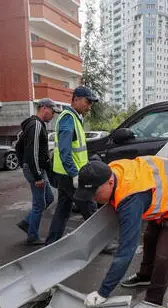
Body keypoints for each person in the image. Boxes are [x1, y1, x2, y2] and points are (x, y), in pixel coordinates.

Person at [73, 157, 168, 307]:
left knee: (163, 256)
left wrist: (103, 292)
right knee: (150, 239)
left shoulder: (131, 201)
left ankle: (153, 303)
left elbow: (126, 251)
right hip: (160, 199)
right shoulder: (112, 169)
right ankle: (144, 276)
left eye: (95, 194)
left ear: (110, 183)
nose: (93, 199)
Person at [45, 86, 99, 245]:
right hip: (72, 176)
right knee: (89, 208)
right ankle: (104, 242)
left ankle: (52, 242)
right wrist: (74, 173)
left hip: (67, 175)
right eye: (87, 102)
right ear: (76, 99)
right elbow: (64, 149)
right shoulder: (68, 118)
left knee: (62, 210)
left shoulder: (74, 117)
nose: (89, 106)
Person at [15, 98, 58, 245]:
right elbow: (32, 152)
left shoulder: (33, 124)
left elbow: (18, 146)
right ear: (44, 108)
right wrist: (37, 175)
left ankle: (27, 222)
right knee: (39, 204)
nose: (53, 115)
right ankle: (32, 236)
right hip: (36, 171)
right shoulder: (36, 125)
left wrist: (24, 164)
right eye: (52, 111)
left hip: (35, 168)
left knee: (49, 198)